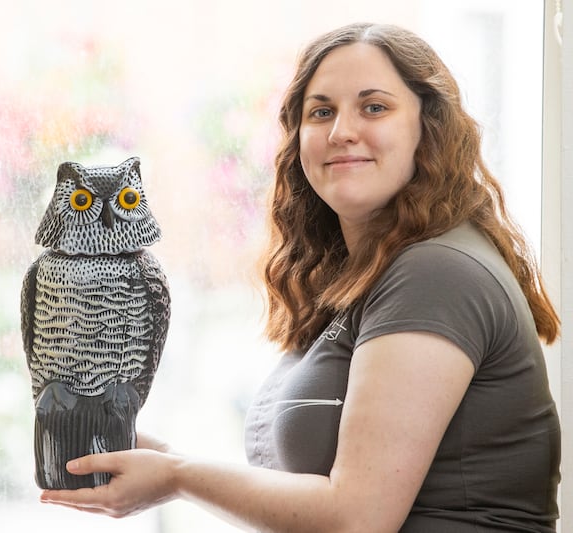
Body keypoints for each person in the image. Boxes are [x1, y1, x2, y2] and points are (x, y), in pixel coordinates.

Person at [39, 22, 561, 532]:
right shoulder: (365, 277)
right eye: (322, 112)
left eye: (374, 107)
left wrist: (178, 476)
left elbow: (356, 518)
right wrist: (170, 463)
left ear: (430, 128)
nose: (341, 131)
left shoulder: (437, 273)